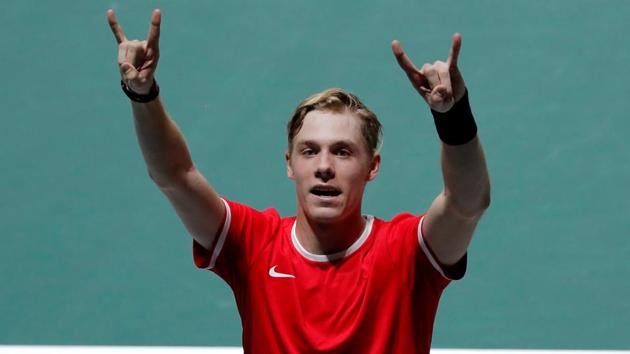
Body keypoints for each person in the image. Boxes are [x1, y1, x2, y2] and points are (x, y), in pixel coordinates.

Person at [107, 8, 491, 354]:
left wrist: (453, 116)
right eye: (310, 151)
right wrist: (142, 94)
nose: (324, 166)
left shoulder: (407, 252)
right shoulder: (253, 243)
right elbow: (175, 176)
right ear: (290, 164)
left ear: (372, 167)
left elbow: (467, 202)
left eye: (342, 152)